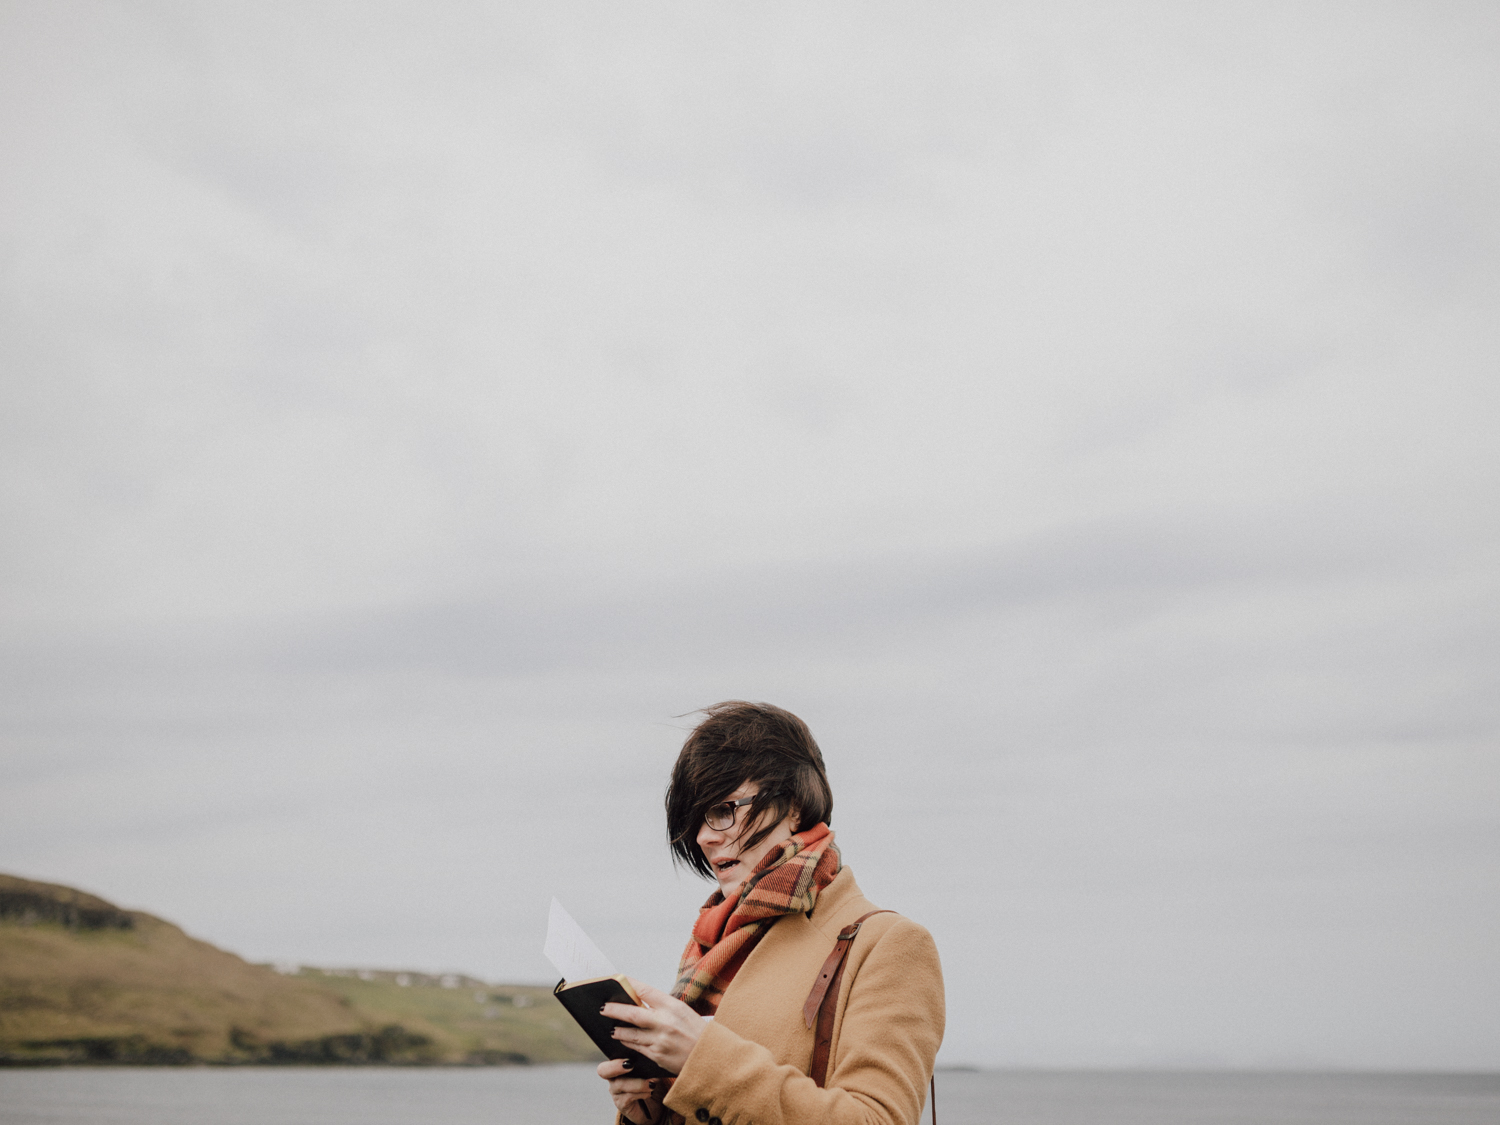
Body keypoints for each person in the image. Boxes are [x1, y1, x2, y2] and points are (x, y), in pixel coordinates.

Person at [597, 701, 944, 1125]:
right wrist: (650, 1114)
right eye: (697, 819)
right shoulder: (715, 939)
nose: (705, 837)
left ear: (793, 805)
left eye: (724, 810)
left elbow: (877, 1120)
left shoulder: (889, 943)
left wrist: (701, 1062)